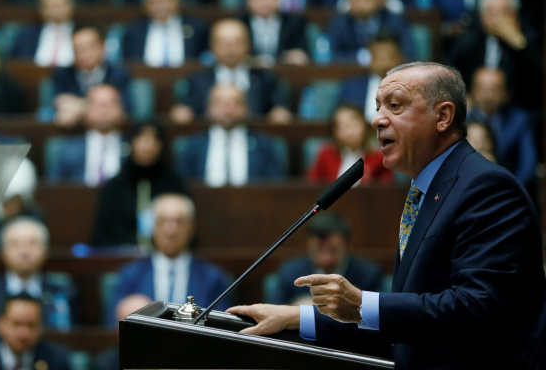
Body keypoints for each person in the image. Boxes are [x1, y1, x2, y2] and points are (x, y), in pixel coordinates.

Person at [228, 62, 546, 368]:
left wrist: (362, 304)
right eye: (378, 107)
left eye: (395, 106)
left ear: (443, 116)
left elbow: (477, 307)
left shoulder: (487, 187)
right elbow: (407, 325)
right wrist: (296, 317)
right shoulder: (425, 190)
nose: (377, 120)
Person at [110, 194, 232, 323]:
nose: (171, 230)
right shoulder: (131, 275)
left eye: (179, 222)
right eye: (164, 221)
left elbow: (221, 325)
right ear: (154, 227)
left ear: (192, 227)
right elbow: (113, 324)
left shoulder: (212, 278)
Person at [170, 18, 292, 124]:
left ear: (248, 45)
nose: (230, 49)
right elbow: (184, 109)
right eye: (224, 43)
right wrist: (181, 112)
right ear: (212, 46)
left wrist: (279, 112)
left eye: (236, 42)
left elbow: (280, 108)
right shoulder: (198, 80)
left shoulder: (264, 78)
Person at [91, 119, 188, 247]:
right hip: (122, 253)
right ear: (132, 142)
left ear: (161, 145)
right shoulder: (116, 185)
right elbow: (103, 234)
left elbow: (187, 227)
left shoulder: (173, 183)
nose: (147, 145)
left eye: (154, 140)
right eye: (142, 138)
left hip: (164, 253)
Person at [0, 217, 77, 330]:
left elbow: (71, 336)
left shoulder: (63, 294)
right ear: (3, 251)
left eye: (32, 243)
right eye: (15, 244)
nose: (24, 252)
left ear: (46, 250)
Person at [444, 0, 543, 110]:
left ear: (516, 15)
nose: (498, 19)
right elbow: (447, 75)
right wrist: (462, 99)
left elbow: (538, 75)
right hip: (473, 107)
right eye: (491, 13)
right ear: (482, 17)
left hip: (514, 109)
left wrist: (518, 42)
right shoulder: (468, 41)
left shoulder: (527, 38)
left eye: (504, 12)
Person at [175, 84, 286, 186]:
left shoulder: (264, 145)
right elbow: (181, 184)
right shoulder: (193, 145)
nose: (228, 109)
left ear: (247, 107)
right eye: (220, 102)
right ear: (209, 107)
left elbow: (276, 184)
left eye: (236, 102)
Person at [273, 213, 384, 305]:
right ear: (308, 245)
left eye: (334, 250)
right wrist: (296, 308)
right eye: (318, 250)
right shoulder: (290, 273)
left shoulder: (369, 275)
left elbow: (379, 315)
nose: (326, 259)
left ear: (347, 246)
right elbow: (276, 312)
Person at [466, 67, 536, 190]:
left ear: (506, 94)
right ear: (472, 91)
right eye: (482, 89)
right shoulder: (462, 119)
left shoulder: (519, 120)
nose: (487, 96)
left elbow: (527, 164)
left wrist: (511, 191)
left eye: (494, 90)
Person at [0, 293, 73, 370]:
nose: (24, 333)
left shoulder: (57, 359)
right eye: (16, 324)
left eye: (31, 325)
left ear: (41, 327)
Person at [44, 85, 126, 186]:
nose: (104, 110)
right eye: (98, 104)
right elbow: (53, 186)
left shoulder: (134, 148)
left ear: (122, 110)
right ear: (85, 111)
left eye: (110, 104)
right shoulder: (69, 150)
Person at [50, 26, 132, 127]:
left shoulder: (118, 73)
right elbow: (59, 104)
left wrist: (79, 106)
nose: (85, 53)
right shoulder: (63, 74)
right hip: (76, 130)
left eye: (90, 47)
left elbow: (124, 109)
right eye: (78, 49)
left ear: (102, 46)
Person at [121, 0, 209, 67]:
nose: (161, 6)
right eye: (154, 0)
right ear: (145, 3)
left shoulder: (197, 29)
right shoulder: (133, 31)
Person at [326, 0, 414, 65]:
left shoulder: (394, 21)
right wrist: (360, 57)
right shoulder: (340, 24)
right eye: (356, 0)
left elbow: (409, 52)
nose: (361, 4)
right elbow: (333, 55)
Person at [307, 104, 392, 185]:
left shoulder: (379, 158)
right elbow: (312, 184)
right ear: (335, 131)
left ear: (364, 126)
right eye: (343, 126)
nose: (350, 132)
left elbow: (385, 188)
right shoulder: (326, 154)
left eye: (354, 125)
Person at [240, 0, 309, 67]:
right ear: (248, 0)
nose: (264, 2)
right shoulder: (239, 23)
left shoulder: (294, 23)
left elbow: (302, 54)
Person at [337, 31, 405, 122]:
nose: (384, 63)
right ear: (371, 59)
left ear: (400, 58)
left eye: (390, 57)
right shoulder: (351, 88)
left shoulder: (411, 89)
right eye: (380, 57)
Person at [9, 0, 75, 67]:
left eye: (61, 2)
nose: (56, 8)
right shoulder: (26, 37)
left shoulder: (84, 34)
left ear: (71, 4)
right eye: (49, 4)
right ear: (41, 8)